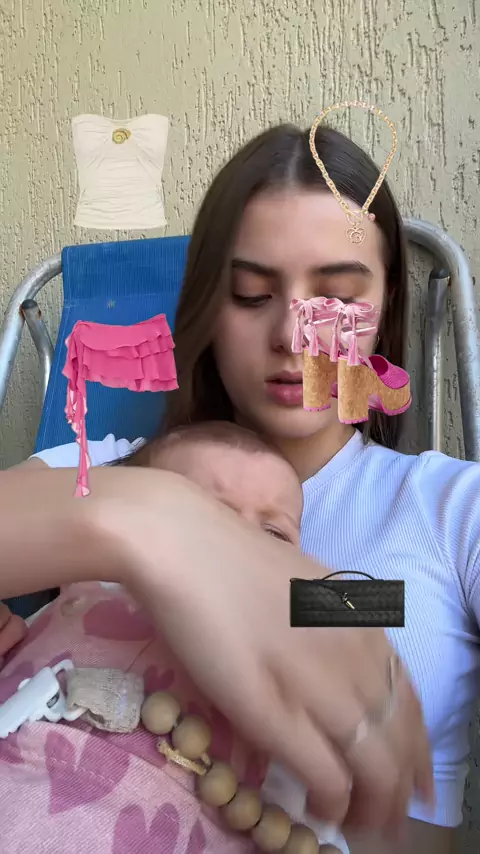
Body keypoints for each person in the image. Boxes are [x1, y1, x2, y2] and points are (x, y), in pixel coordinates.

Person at [8, 117, 477, 852]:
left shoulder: (449, 508)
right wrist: (149, 522)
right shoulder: (104, 469)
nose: (293, 336)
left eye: (338, 297)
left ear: (385, 309)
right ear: (206, 309)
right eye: (253, 294)